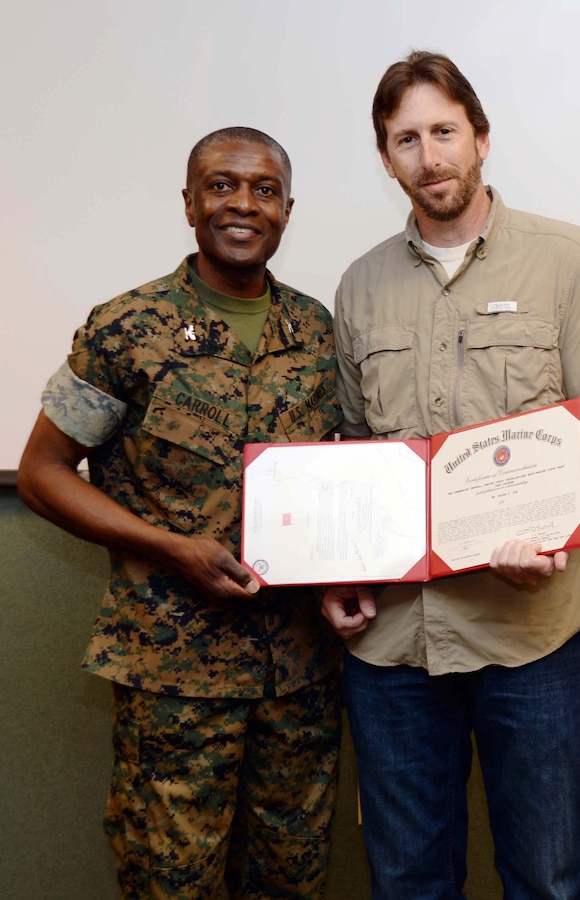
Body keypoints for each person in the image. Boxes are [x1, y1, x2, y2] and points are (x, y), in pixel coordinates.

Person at [321, 51, 580, 900]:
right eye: (406, 139)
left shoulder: (567, 259)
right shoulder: (359, 287)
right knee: (405, 878)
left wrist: (544, 526)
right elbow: (359, 453)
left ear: (480, 139)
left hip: (528, 631)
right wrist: (349, 574)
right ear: (384, 156)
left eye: (443, 132)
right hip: (395, 642)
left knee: (543, 877)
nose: (429, 157)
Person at [18, 126, 343, 900]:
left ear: (287, 211)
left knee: (289, 881)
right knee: (170, 883)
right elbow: (41, 473)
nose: (242, 203)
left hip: (297, 675)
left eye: (263, 189)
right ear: (190, 202)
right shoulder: (126, 328)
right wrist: (171, 548)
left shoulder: (317, 332)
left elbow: (341, 476)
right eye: (222, 184)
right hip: (173, 677)